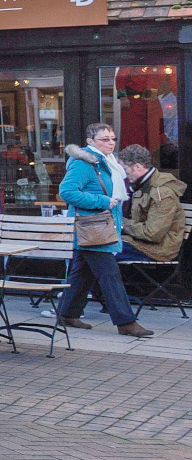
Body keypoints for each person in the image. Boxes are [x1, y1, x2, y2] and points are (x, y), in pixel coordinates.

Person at [58, 123, 153, 337]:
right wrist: (102, 201)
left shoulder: (107, 163)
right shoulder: (85, 163)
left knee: (82, 272)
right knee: (110, 276)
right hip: (93, 228)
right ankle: (126, 322)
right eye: (104, 139)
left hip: (100, 227)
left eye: (113, 139)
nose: (110, 143)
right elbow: (67, 191)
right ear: (90, 142)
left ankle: (67, 314)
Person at [117, 144, 186, 264]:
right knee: (93, 247)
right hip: (141, 243)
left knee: (101, 250)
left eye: (125, 168)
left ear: (137, 167)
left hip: (158, 249)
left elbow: (153, 234)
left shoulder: (162, 192)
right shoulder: (141, 185)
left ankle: (111, 284)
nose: (123, 173)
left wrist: (121, 224)